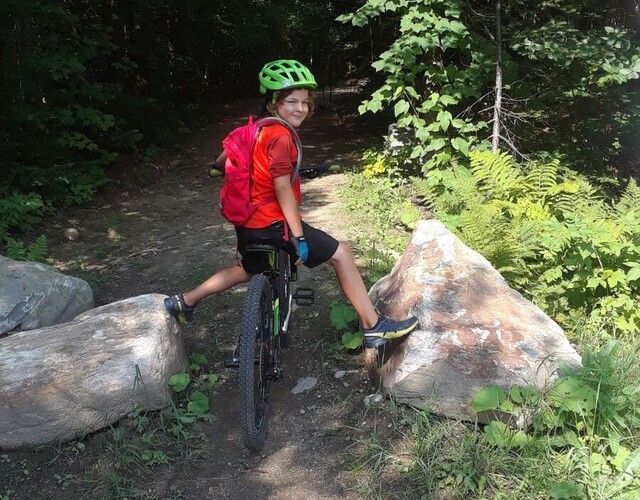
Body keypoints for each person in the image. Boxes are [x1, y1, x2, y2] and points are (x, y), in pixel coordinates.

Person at [165, 59, 418, 349]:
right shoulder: (281, 136)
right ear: (274, 102)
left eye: (305, 102)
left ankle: (185, 300)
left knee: (248, 268)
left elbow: (226, 156)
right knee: (343, 254)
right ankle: (374, 326)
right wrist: (298, 237)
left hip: (247, 226)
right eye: (291, 101)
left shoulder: (253, 129)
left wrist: (217, 167)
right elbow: (282, 187)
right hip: (273, 225)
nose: (300, 108)